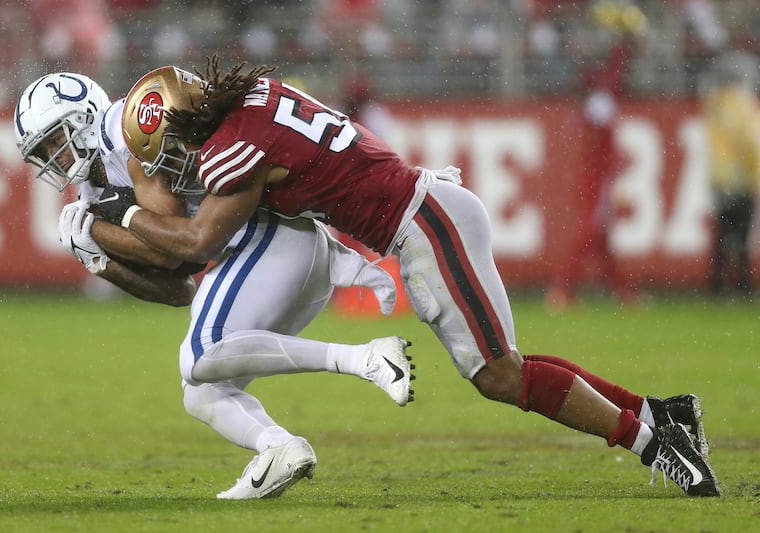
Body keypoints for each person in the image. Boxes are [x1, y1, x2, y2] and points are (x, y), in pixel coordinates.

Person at [103, 57, 718, 497]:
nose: (176, 167)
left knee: (499, 375)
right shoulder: (256, 95)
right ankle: (659, 415)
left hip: (423, 226)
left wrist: (120, 214)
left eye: (170, 151)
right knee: (506, 363)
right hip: (427, 209)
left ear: (184, 128)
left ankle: (651, 443)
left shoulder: (234, 147)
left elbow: (194, 241)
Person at [14, 72, 416, 500]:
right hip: (270, 257)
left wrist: (103, 232)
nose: (54, 157)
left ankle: (363, 358)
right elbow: (178, 290)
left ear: (86, 116)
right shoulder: (92, 196)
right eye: (44, 152)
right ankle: (278, 448)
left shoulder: (126, 132)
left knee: (200, 353)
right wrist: (100, 261)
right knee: (201, 390)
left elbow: (177, 249)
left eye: (55, 140)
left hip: (272, 235)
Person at [544, 2, 644, 309]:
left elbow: (609, 77)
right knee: (589, 234)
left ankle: (624, 293)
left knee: (600, 240)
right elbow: (612, 77)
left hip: (595, 177)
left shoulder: (594, 103)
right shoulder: (600, 101)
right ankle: (561, 291)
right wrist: (621, 45)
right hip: (598, 179)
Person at [702, 52, 760, 296]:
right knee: (742, 235)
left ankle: (716, 284)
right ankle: (742, 283)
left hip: (719, 178)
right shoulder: (743, 105)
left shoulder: (715, 104)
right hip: (741, 178)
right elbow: (752, 142)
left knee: (723, 234)